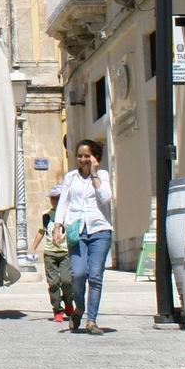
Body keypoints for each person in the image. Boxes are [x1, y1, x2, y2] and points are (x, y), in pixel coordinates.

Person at [53, 140, 113, 334]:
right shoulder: (71, 177)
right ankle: (79, 307)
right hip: (76, 231)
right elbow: (63, 203)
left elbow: (105, 198)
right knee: (77, 275)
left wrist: (94, 173)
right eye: (80, 155)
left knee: (95, 276)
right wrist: (57, 226)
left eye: (87, 155)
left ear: (95, 157)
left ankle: (91, 321)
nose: (83, 159)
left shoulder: (103, 175)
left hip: (100, 230)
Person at [29, 187, 73, 322]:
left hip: (65, 252)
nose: (55, 200)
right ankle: (57, 310)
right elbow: (41, 231)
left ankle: (68, 302)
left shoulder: (68, 214)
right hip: (50, 253)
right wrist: (33, 248)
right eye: (53, 198)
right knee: (53, 283)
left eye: (58, 198)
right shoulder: (46, 215)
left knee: (66, 281)